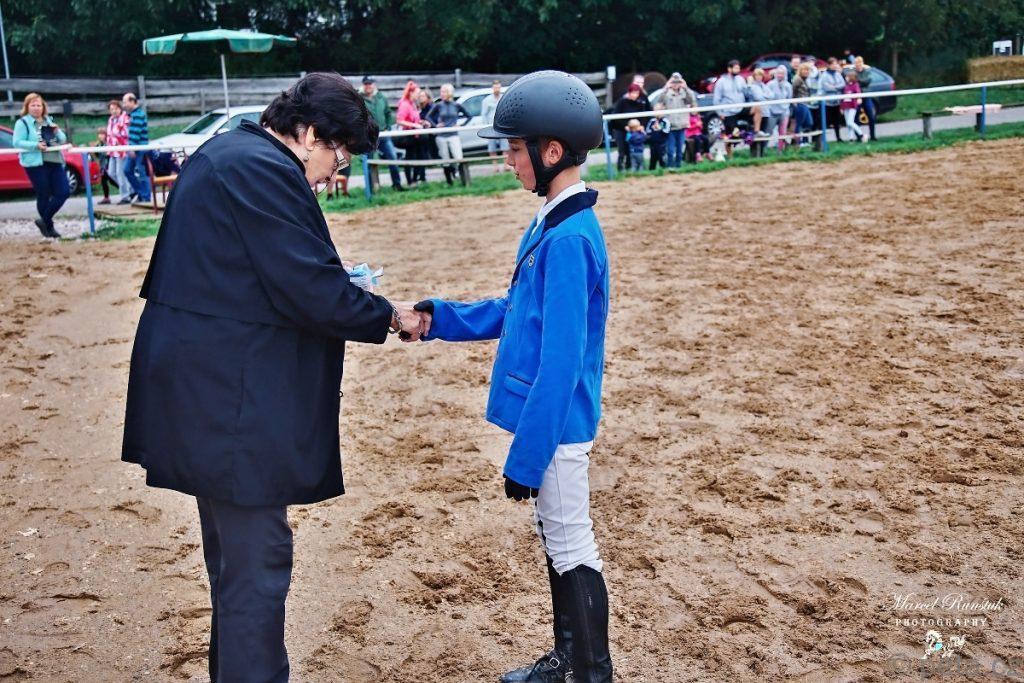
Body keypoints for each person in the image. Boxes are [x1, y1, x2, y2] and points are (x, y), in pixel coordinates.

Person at [121, 72, 426, 683]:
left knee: (238, 568)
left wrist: (342, 283)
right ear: (309, 134)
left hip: (214, 392)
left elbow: (268, 271)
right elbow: (307, 287)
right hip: (229, 404)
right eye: (339, 157)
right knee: (256, 568)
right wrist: (389, 313)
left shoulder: (235, 154)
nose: (334, 175)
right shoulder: (260, 168)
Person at [410, 69, 613, 683]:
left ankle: (589, 671)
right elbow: (517, 309)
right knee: (556, 537)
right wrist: (439, 318)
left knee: (572, 543)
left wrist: (526, 457)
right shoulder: (550, 222)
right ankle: (569, 661)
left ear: (552, 152)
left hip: (556, 426)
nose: (508, 159)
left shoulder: (569, 239)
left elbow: (562, 361)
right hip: (546, 423)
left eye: (516, 148)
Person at [12, 93, 69, 238]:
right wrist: (35, 145)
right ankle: (49, 228)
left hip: (55, 160)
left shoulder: (48, 119)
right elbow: (17, 142)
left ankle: (44, 221)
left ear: (43, 107)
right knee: (43, 194)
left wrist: (57, 131)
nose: (36, 108)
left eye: (39, 105)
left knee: (63, 192)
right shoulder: (22, 123)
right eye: (33, 105)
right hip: (35, 163)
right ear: (27, 107)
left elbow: (62, 139)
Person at [361, 75, 405, 192]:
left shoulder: (381, 97)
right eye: (366, 84)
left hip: (384, 135)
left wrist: (388, 128)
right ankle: (370, 189)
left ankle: (397, 184)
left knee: (392, 158)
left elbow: (388, 113)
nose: (368, 86)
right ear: (363, 85)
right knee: (368, 161)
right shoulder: (359, 99)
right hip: (368, 137)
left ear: (374, 84)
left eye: (370, 83)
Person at [426, 83, 471, 185]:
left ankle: (463, 179)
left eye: (444, 92)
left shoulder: (456, 105)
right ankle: (449, 182)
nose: (442, 94)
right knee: (445, 159)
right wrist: (436, 125)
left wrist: (460, 125)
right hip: (441, 136)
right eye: (441, 92)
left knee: (458, 157)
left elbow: (469, 116)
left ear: (450, 93)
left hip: (453, 135)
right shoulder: (438, 105)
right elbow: (428, 117)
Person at [121, 92, 152, 205]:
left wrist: (132, 148)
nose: (124, 105)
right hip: (134, 147)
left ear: (132, 101)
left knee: (142, 172)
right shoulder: (132, 115)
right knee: (127, 170)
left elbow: (136, 133)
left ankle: (146, 197)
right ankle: (141, 193)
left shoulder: (138, 114)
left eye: (125, 102)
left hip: (140, 148)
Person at [713, 59, 747, 158]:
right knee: (730, 134)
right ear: (729, 69)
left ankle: (757, 133)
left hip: (741, 108)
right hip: (728, 112)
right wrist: (720, 113)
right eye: (736, 68)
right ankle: (730, 156)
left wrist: (750, 85)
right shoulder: (721, 82)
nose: (738, 70)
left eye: (738, 68)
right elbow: (716, 98)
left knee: (757, 109)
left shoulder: (741, 79)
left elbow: (746, 93)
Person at [610, 83, 648, 172]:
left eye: (637, 93)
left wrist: (641, 126)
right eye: (633, 93)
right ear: (629, 92)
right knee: (622, 150)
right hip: (620, 130)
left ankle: (630, 168)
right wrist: (625, 126)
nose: (635, 95)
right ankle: (620, 169)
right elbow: (615, 116)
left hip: (634, 131)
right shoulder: (622, 102)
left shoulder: (640, 103)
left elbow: (644, 116)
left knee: (630, 150)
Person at [661, 72, 697, 167]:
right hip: (670, 126)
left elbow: (692, 101)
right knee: (670, 150)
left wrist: (686, 88)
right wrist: (665, 88)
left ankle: (678, 166)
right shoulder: (667, 93)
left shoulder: (685, 93)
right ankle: (670, 166)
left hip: (682, 125)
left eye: (678, 82)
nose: (676, 84)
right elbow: (660, 101)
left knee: (680, 149)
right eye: (674, 82)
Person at [396, 80, 425, 186]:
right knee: (410, 157)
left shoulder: (413, 104)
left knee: (419, 156)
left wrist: (421, 122)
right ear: (411, 93)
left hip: (416, 135)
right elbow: (399, 120)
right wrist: (414, 125)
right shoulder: (405, 104)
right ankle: (410, 181)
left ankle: (415, 179)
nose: (419, 95)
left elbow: (414, 118)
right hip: (409, 135)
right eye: (417, 93)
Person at [481, 80, 509, 170]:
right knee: (492, 148)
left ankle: (506, 165)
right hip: (491, 127)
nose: (497, 89)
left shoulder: (504, 98)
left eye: (498, 87)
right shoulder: (487, 100)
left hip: (502, 126)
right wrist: (485, 126)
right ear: (492, 88)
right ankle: (495, 166)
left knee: (505, 147)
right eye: (495, 87)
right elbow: (484, 114)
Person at [105, 99, 129, 201]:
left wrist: (117, 136)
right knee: (111, 173)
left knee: (120, 173)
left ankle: (125, 196)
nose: (114, 111)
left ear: (120, 109)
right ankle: (130, 189)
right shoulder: (111, 120)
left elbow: (125, 133)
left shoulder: (125, 118)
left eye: (116, 109)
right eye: (111, 109)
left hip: (121, 150)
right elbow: (109, 134)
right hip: (112, 150)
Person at [764, 65, 793, 151]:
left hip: (784, 112)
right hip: (772, 112)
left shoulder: (788, 85)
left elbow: (789, 98)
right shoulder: (770, 84)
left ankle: (780, 150)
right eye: (779, 73)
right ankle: (763, 149)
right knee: (768, 131)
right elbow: (766, 97)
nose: (780, 75)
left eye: (782, 73)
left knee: (782, 132)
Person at [821, 57, 847, 142]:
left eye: (836, 64)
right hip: (828, 103)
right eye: (833, 64)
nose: (835, 66)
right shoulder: (824, 75)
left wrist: (834, 87)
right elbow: (826, 87)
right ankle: (823, 139)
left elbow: (843, 84)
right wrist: (836, 87)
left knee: (837, 121)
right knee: (826, 121)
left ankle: (838, 137)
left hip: (837, 102)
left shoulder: (838, 74)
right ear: (829, 65)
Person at [90, 128, 119, 204]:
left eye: (102, 134)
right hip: (102, 166)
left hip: (108, 165)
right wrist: (93, 150)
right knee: (104, 181)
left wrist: (98, 149)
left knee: (112, 180)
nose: (100, 136)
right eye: (99, 134)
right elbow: (96, 156)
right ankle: (106, 198)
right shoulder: (99, 144)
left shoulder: (108, 143)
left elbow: (107, 154)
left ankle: (126, 191)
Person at [414, 87, 436, 183]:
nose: (420, 98)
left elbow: (434, 120)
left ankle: (452, 173)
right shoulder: (419, 108)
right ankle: (421, 177)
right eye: (420, 96)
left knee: (431, 155)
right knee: (420, 154)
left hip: (432, 136)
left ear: (428, 97)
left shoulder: (432, 107)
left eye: (423, 96)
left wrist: (427, 123)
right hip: (423, 136)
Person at [853, 56, 878, 141]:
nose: (858, 65)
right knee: (856, 118)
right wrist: (858, 82)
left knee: (871, 116)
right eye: (857, 63)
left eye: (860, 63)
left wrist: (857, 81)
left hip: (866, 96)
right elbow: (853, 82)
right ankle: (859, 137)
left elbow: (867, 81)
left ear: (862, 63)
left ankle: (873, 136)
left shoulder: (867, 72)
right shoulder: (853, 72)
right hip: (857, 97)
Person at [791, 63, 815, 147]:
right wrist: (794, 102)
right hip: (799, 103)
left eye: (808, 70)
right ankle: (798, 142)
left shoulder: (806, 79)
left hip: (806, 103)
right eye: (805, 70)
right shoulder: (797, 79)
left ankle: (805, 141)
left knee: (809, 123)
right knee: (799, 123)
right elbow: (793, 91)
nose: (806, 71)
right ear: (800, 70)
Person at [841, 70, 866, 142]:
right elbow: (842, 97)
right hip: (845, 105)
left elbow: (858, 93)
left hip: (852, 106)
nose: (846, 77)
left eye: (847, 76)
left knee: (850, 122)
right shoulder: (845, 86)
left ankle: (861, 135)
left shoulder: (855, 85)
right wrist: (841, 107)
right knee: (848, 123)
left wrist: (859, 98)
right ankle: (851, 138)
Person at [645, 104, 670, 170]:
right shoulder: (652, 121)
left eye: (659, 110)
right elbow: (648, 130)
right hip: (653, 143)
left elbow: (667, 131)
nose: (657, 113)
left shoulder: (665, 121)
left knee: (662, 158)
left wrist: (660, 129)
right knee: (653, 158)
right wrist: (653, 129)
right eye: (655, 111)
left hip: (661, 143)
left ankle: (664, 170)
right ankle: (651, 171)